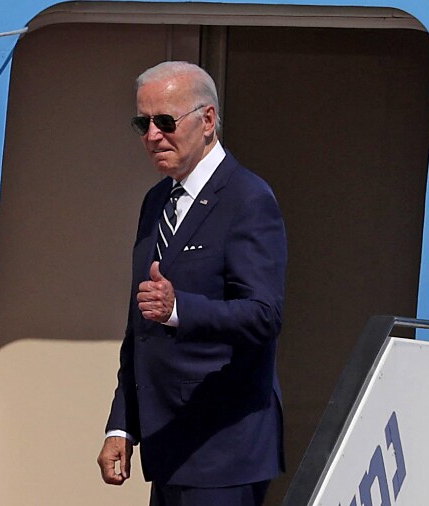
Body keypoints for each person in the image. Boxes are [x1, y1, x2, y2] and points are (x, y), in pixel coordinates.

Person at [97, 61, 287, 506]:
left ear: (207, 120)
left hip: (223, 450)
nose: (152, 136)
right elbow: (141, 328)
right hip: (169, 445)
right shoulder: (157, 201)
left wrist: (180, 308)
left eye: (165, 121)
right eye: (142, 124)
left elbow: (264, 314)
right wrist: (122, 425)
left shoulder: (247, 198)